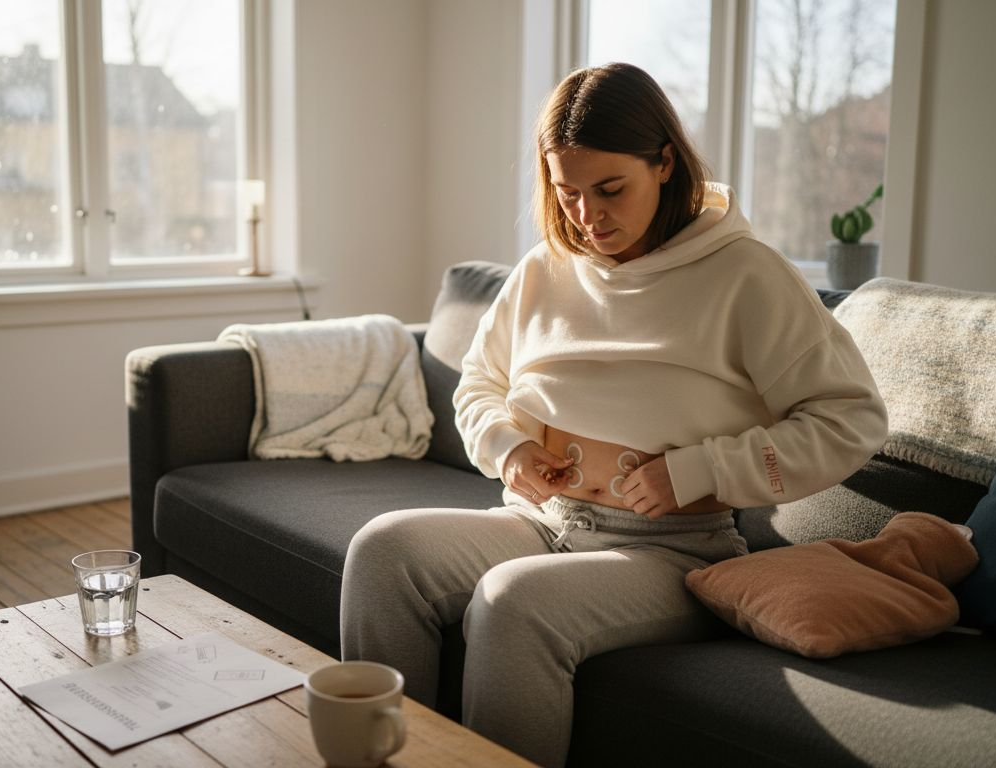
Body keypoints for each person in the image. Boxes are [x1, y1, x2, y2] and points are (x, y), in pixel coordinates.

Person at [338, 62, 888, 767]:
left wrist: (699, 470)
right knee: (381, 552)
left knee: (512, 602)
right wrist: (507, 447)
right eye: (566, 193)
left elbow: (850, 419)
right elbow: (479, 381)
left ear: (665, 163)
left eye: (610, 189)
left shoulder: (747, 275)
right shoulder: (543, 270)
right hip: (542, 521)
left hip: (672, 551)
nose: (587, 216)